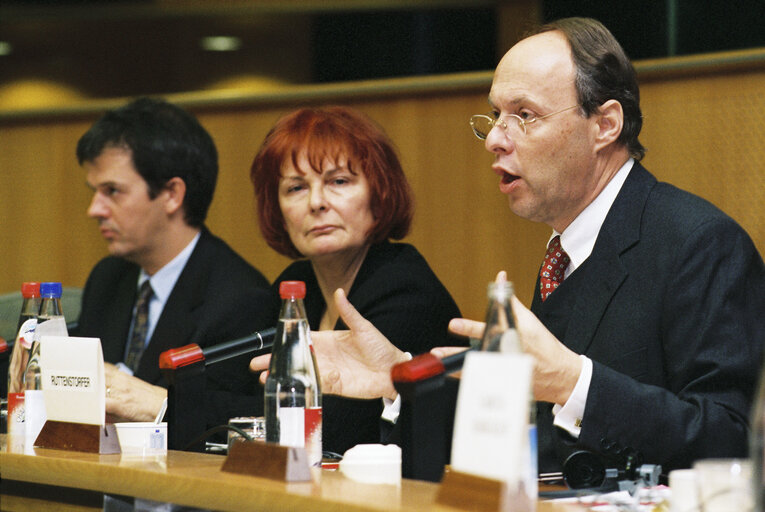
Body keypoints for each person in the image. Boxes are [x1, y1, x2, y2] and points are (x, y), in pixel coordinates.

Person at [251, 18, 765, 476]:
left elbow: (729, 437)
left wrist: (573, 383)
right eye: (495, 115)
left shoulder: (699, 243)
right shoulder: (563, 251)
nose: (496, 138)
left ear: (605, 124)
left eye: (524, 115)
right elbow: (524, 433)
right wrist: (397, 378)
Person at [249, 106, 463, 455]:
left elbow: (338, 430)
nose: (317, 203)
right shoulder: (294, 285)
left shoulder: (404, 285)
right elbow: (253, 400)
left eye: (338, 182)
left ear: (378, 192)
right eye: (296, 188)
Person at [73, 97, 274, 429]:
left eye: (112, 191)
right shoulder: (108, 278)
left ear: (171, 194)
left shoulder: (239, 298)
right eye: (94, 191)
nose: (94, 209)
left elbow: (232, 425)